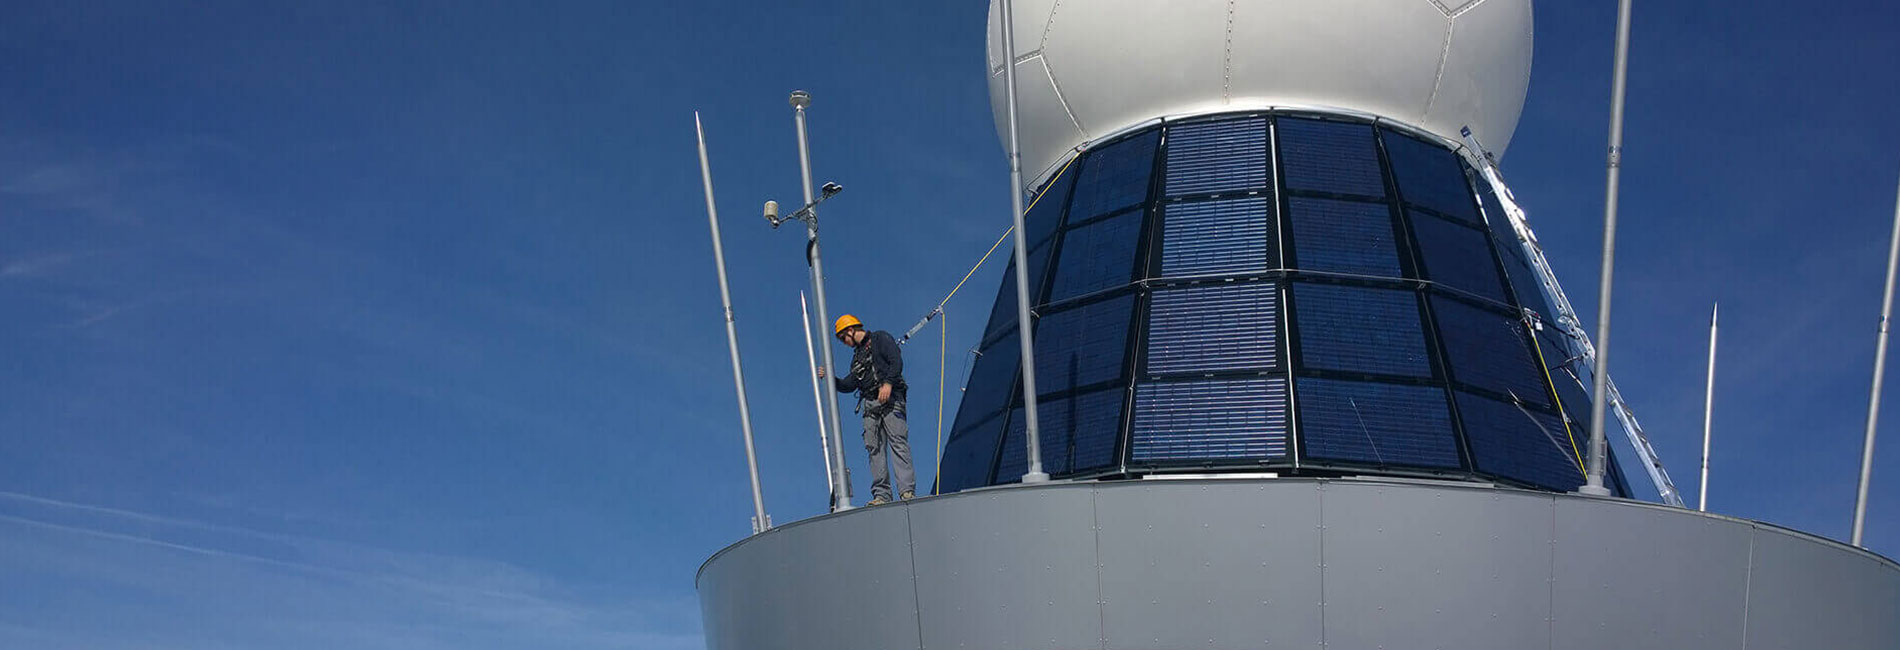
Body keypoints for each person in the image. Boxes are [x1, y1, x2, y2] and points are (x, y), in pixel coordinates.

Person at [818, 314, 914, 504]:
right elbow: (849, 384)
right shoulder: (857, 359)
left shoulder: (880, 339)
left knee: (898, 443)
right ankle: (882, 495)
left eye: (844, 338)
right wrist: (832, 379)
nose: (845, 342)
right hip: (871, 406)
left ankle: (906, 491)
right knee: (874, 449)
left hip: (890, 400)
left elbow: (896, 361)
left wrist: (887, 384)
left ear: (851, 330)